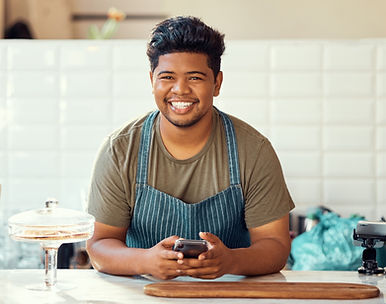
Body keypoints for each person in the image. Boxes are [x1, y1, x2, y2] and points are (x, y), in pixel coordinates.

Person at [86, 16, 295, 280]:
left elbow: (276, 247)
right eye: (167, 77)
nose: (180, 90)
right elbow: (99, 246)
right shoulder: (120, 149)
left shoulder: (254, 150)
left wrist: (230, 261)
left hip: (230, 294)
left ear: (217, 83)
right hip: (144, 294)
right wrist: (145, 261)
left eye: (195, 77)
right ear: (152, 80)